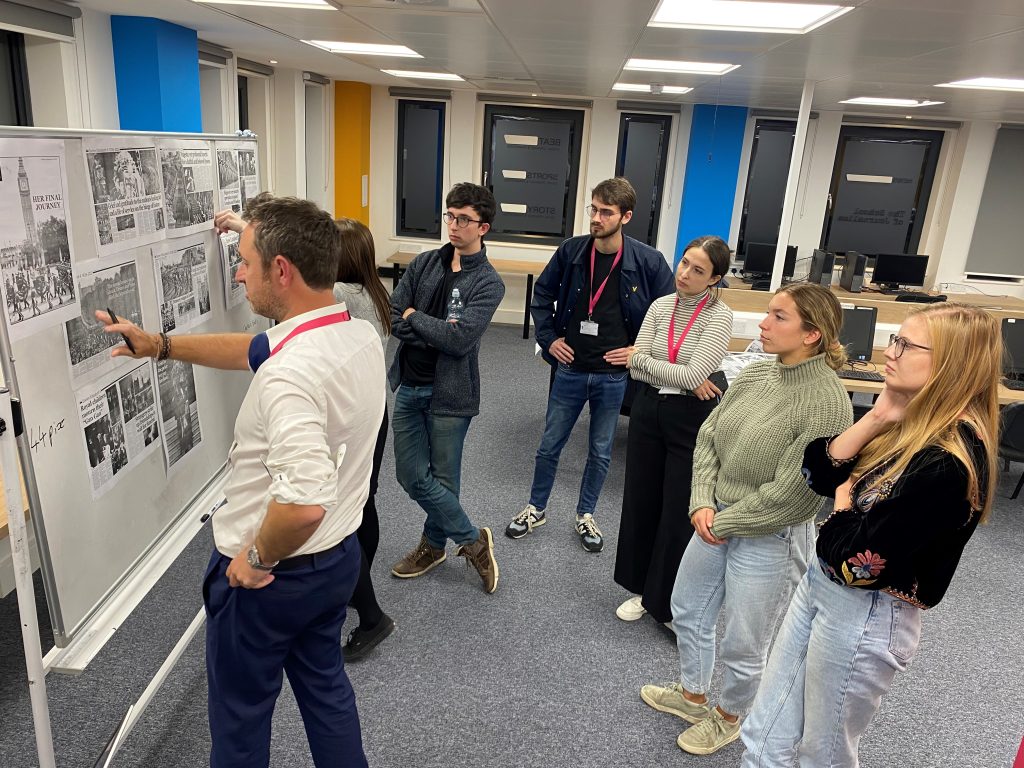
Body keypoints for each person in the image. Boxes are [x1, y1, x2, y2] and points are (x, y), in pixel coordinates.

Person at [101, 193, 384, 768]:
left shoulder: (290, 375)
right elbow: (252, 349)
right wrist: (160, 345)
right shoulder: (354, 333)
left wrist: (253, 558)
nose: (237, 271)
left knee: (239, 721)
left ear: (281, 270)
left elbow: (302, 504)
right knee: (327, 694)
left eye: (246, 261)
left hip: (269, 577)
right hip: (336, 560)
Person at [740, 303, 1001, 767]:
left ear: (950, 364)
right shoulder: (904, 419)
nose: (890, 352)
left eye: (905, 344)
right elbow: (817, 473)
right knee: (765, 731)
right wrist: (876, 417)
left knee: (823, 754)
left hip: (866, 612)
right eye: (894, 340)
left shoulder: (948, 462)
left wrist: (842, 504)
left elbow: (859, 564)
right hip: (820, 588)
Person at [640, 283, 854, 757]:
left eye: (779, 317)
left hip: (768, 535)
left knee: (744, 640)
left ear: (812, 334)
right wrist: (701, 501)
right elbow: (709, 435)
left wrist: (723, 521)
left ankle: (729, 717)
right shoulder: (758, 373)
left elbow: (795, 495)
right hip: (714, 518)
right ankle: (694, 696)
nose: (762, 324)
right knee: (688, 608)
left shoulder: (827, 401)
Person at [505, 177, 674, 552]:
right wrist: (549, 339)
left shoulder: (648, 261)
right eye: (593, 209)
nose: (596, 218)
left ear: (625, 216)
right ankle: (536, 507)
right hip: (571, 368)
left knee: (600, 451)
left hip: (613, 377)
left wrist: (637, 352)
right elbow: (543, 294)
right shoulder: (572, 251)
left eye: (605, 212)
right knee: (550, 445)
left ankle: (586, 514)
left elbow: (667, 314)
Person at [388, 182, 504, 593]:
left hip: (451, 395)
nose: (453, 225)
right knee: (409, 475)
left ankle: (432, 545)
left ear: (483, 227)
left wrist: (415, 317)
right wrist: (429, 326)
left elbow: (460, 340)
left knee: (444, 478)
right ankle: (473, 540)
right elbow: (392, 313)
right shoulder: (424, 264)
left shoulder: (489, 283)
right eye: (450, 216)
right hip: (410, 386)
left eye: (464, 219)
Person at [613, 236, 733, 624]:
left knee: (678, 507)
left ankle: (663, 601)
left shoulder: (719, 316)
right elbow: (634, 366)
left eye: (698, 270)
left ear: (714, 279)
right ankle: (640, 588)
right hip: (648, 409)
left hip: (689, 417)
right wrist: (671, 372)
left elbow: (696, 374)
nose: (684, 274)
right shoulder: (661, 305)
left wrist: (649, 362)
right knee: (641, 498)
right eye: (684, 263)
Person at [333, 217, 396, 661]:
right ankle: (360, 583)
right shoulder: (375, 291)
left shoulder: (340, 296)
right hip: (374, 414)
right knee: (363, 502)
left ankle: (371, 615)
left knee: (341, 520)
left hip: (352, 420)